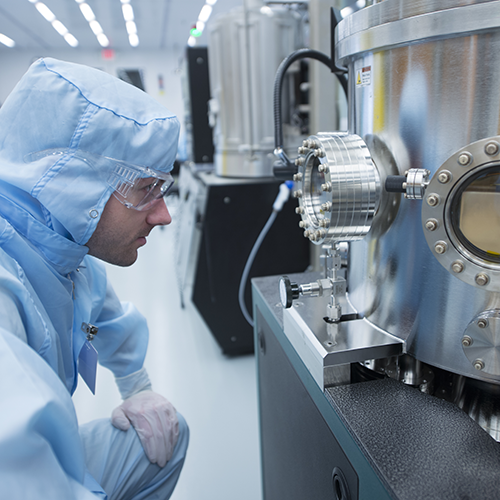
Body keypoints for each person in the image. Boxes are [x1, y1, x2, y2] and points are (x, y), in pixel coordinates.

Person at [0, 57, 189, 499]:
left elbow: (106, 314)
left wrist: (138, 388)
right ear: (74, 185)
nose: (164, 215)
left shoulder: (60, 252)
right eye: (147, 190)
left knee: (164, 437)